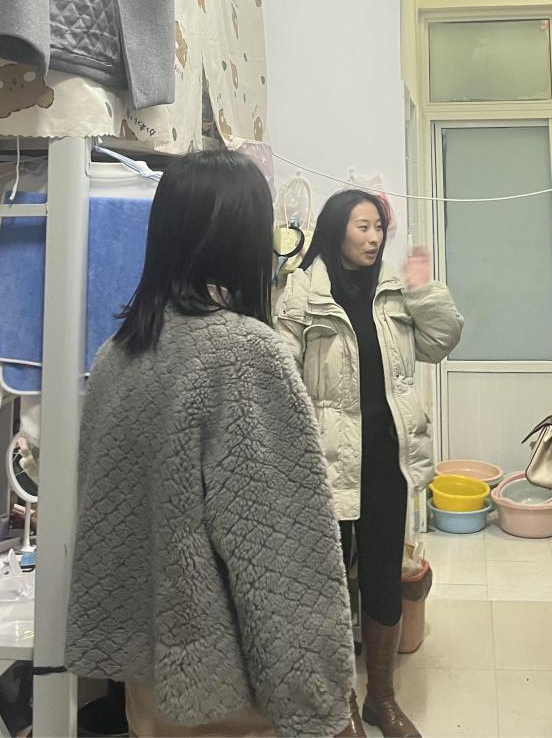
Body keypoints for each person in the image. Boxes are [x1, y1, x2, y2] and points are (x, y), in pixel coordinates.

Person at [64, 150, 355, 738]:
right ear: (244, 239)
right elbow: (281, 552)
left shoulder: (117, 355)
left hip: (147, 680)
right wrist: (321, 700)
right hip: (225, 685)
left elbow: (102, 519)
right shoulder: (244, 353)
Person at [276, 189, 463, 738]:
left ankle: (382, 698)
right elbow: (280, 370)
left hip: (387, 458)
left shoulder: (394, 291)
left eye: (379, 227)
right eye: (363, 226)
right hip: (326, 463)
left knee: (383, 576)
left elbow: (442, 341)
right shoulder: (302, 291)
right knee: (329, 585)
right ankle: (340, 707)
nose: (375, 237)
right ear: (336, 229)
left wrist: (423, 289)